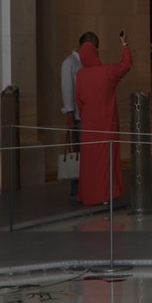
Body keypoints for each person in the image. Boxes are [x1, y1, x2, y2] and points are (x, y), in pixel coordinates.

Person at [73, 30, 134, 209]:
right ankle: (105, 194)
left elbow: (79, 102)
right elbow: (126, 64)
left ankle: (89, 195)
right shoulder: (106, 72)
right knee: (105, 160)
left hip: (89, 125)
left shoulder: (81, 76)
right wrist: (124, 44)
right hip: (106, 123)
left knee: (89, 162)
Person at [60, 36, 85, 200]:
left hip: (86, 115)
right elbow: (67, 87)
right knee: (78, 154)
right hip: (76, 116)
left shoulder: (84, 62)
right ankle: (76, 189)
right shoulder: (69, 63)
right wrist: (69, 111)